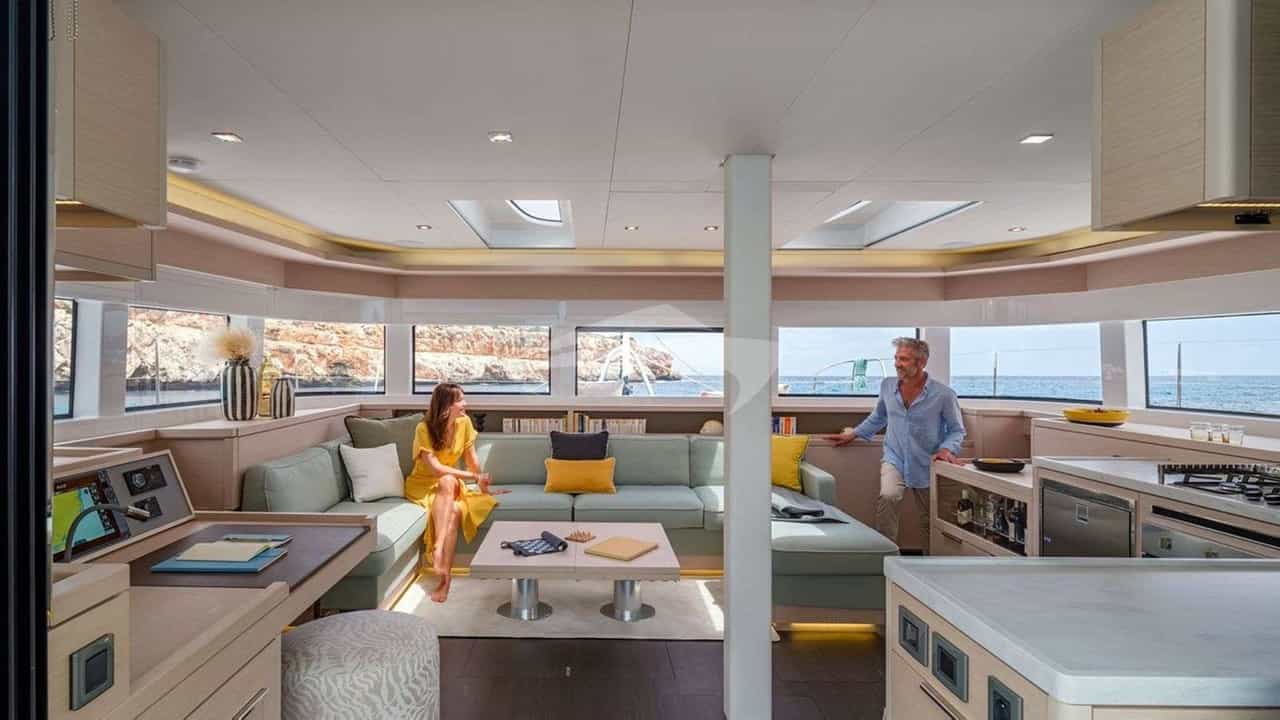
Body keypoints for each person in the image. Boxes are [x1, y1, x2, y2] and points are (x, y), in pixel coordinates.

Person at [828, 337, 965, 547]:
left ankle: (931, 562)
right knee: (888, 496)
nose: (897, 364)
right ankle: (886, 556)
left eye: (904, 359)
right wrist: (853, 434)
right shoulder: (887, 386)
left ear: (921, 363)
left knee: (930, 519)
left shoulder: (944, 395)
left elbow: (957, 430)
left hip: (928, 462)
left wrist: (946, 450)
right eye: (896, 358)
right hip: (895, 457)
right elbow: (879, 417)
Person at [405, 383, 509, 603]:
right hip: (423, 485)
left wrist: (485, 489)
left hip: (450, 485)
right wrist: (473, 477)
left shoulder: (464, 423)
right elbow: (435, 469)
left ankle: (442, 567)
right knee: (448, 487)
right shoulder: (423, 428)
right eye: (460, 400)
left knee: (451, 499)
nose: (465, 404)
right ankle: (441, 560)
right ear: (446, 406)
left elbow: (472, 460)